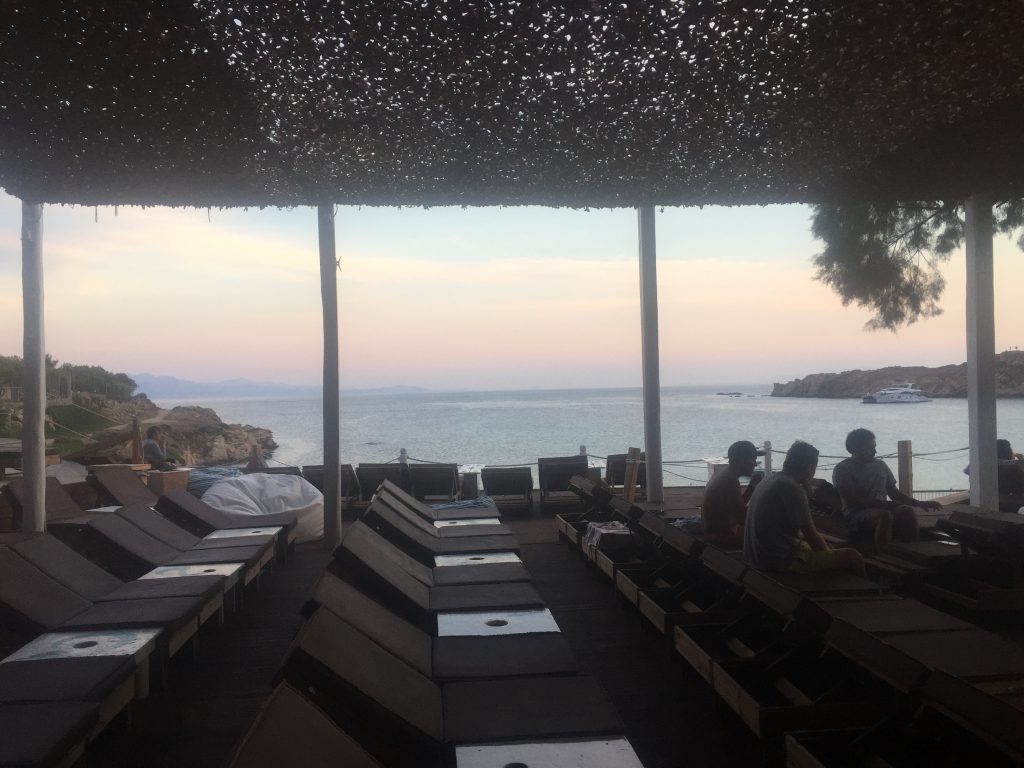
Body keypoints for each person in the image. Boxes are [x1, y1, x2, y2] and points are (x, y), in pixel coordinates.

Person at [744, 440, 864, 575]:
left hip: (756, 557)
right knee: (853, 556)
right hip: (778, 562)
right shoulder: (792, 489)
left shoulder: (770, 479)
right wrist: (829, 555)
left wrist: (806, 495)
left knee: (826, 546)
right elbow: (811, 535)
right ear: (810, 467)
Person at [832, 428, 940, 548]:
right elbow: (851, 501)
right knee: (885, 516)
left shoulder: (880, 465)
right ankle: (883, 553)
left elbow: (894, 493)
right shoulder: (842, 469)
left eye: (874, 447)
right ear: (854, 449)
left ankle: (914, 549)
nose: (875, 452)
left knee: (907, 511)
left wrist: (920, 504)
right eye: (869, 448)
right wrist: (886, 505)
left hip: (881, 509)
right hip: (856, 514)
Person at [701, 440, 764, 548]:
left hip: (715, 533)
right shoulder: (729, 481)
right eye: (753, 459)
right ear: (741, 460)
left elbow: (736, 507)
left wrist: (752, 487)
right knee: (770, 535)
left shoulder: (724, 474)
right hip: (720, 538)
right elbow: (742, 518)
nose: (755, 463)